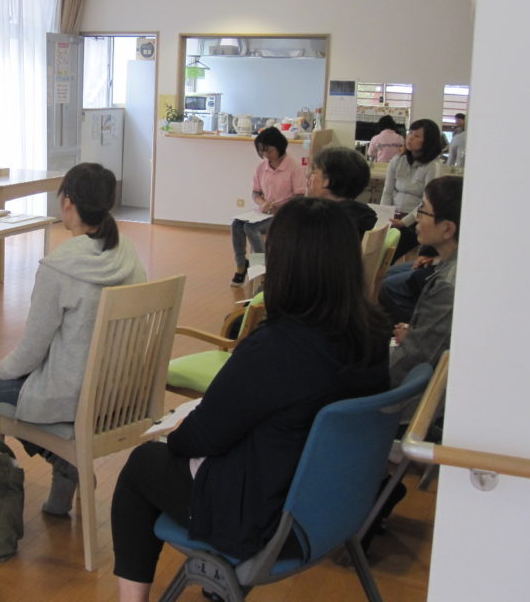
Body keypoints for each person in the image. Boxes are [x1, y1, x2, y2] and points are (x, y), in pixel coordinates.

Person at [110, 198, 389, 602]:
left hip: (269, 521)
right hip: (334, 508)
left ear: (285, 265)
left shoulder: (277, 348)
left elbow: (198, 437)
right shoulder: (373, 333)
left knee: (144, 463)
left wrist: (180, 431)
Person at [0, 163, 145, 516]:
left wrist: (3, 368)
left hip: (78, 397)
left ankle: (66, 459)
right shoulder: (128, 255)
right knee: (21, 381)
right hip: (125, 393)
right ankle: (64, 475)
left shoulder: (59, 266)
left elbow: (31, 351)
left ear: (68, 202)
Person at [389, 175, 462, 385]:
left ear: (447, 229)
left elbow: (411, 361)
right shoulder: (454, 266)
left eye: (423, 211)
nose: (418, 218)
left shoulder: (447, 287)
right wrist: (416, 334)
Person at [229, 126, 306, 286]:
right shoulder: (262, 167)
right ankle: (241, 266)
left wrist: (279, 207)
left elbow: (299, 197)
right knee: (236, 224)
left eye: (269, 151)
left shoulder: (294, 167)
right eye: (262, 151)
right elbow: (256, 193)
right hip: (264, 212)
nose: (265, 155)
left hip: (285, 215)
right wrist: (263, 203)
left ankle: (264, 268)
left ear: (280, 147)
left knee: (251, 228)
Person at [380, 118, 442, 261]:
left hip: (415, 219)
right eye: (410, 133)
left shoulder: (432, 166)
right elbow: (387, 191)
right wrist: (384, 214)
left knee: (389, 249)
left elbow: (427, 201)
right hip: (393, 214)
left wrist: (405, 221)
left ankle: (380, 270)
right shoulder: (397, 160)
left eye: (417, 135)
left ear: (428, 141)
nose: (410, 138)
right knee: (370, 236)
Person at [305, 146, 377, 236]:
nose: (308, 176)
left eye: (314, 172)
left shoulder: (328, 224)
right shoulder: (360, 215)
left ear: (327, 181)